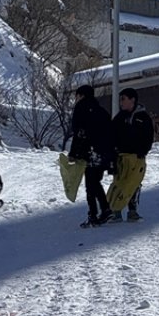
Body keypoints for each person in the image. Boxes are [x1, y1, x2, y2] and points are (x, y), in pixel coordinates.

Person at [105, 87, 154, 223]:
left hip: (137, 157)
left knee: (134, 184)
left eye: (123, 99)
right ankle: (116, 211)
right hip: (121, 157)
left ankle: (132, 211)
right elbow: (110, 136)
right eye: (121, 100)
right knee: (119, 183)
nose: (121, 103)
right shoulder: (119, 118)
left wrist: (143, 151)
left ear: (132, 100)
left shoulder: (143, 117)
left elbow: (149, 136)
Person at [69, 84, 115, 227]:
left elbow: (79, 133)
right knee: (95, 182)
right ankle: (105, 210)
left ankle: (94, 215)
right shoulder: (101, 111)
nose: (76, 99)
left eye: (77, 96)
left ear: (81, 95)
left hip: (90, 151)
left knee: (90, 184)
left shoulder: (81, 109)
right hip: (104, 152)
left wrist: (74, 153)